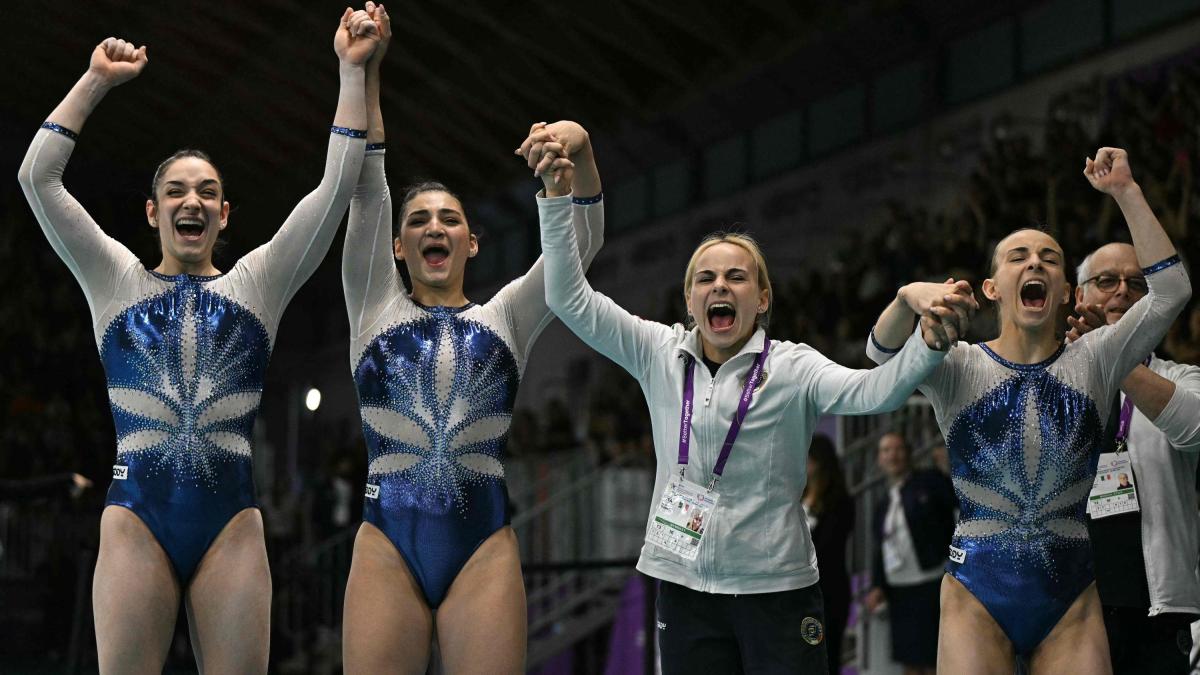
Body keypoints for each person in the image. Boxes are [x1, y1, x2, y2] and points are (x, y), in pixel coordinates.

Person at [17, 14, 378, 673]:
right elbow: (37, 178)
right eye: (176, 191)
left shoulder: (257, 284)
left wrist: (351, 71)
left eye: (208, 192)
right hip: (134, 522)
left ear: (224, 214)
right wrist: (95, 80)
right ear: (153, 212)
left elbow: (333, 192)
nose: (193, 200)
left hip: (231, 527)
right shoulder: (113, 280)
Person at [537, 143, 974, 670]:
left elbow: (877, 392)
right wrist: (557, 199)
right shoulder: (657, 351)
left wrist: (927, 341)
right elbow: (567, 296)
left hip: (778, 592)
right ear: (690, 299)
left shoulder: (792, 368)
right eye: (706, 278)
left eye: (736, 277)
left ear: (762, 299)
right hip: (684, 588)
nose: (720, 285)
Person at [339, 6, 604, 671]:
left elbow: (584, 241)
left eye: (451, 219)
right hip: (385, 546)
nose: (436, 227)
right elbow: (368, 187)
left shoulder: (505, 316)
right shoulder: (373, 304)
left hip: (482, 548)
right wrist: (367, 69)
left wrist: (581, 150)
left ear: (472, 241)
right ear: (398, 246)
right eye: (421, 220)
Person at [866, 147, 1191, 673]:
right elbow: (878, 356)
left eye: (1050, 258)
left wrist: (1127, 193)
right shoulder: (959, 365)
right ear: (992, 288)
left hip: (1072, 601)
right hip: (975, 593)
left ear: (1065, 292)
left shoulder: (1100, 357)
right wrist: (907, 298)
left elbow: (1172, 291)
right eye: (1017, 256)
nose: (1035, 262)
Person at [1070, 240, 1200, 674]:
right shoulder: (1049, 382)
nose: (1122, 291)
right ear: (1078, 296)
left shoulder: (1181, 379)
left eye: (1138, 284)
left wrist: (1111, 353)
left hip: (1158, 612)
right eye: (1106, 281)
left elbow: (1194, 429)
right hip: (1066, 611)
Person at [863, 432, 956, 675]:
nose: (892, 455)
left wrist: (948, 469)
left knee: (937, 657)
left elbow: (954, 506)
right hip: (899, 589)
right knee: (908, 659)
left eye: (897, 449)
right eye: (886, 450)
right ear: (879, 459)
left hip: (930, 582)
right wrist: (877, 585)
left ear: (909, 454)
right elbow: (880, 548)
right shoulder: (884, 503)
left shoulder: (929, 481)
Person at [803, 434, 854, 675]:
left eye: (808, 458)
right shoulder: (797, 496)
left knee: (827, 657)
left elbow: (828, 548)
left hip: (828, 591)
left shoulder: (840, 501)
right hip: (798, 591)